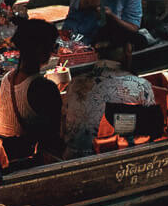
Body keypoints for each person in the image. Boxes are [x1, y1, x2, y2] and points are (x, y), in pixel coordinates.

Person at [61, 19, 158, 159]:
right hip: (110, 162)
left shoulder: (74, 84)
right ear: (128, 49)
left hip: (70, 159)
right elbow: (149, 135)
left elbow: (63, 132)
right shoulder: (139, 86)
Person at [0, 17, 65, 169]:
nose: (53, 51)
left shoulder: (6, 79)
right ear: (40, 49)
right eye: (52, 46)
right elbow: (52, 138)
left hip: (4, 156)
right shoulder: (44, 88)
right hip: (27, 163)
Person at [62, 0, 143, 44]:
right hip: (76, 37)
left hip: (106, 41)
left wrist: (111, 16)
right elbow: (91, 2)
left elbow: (133, 27)